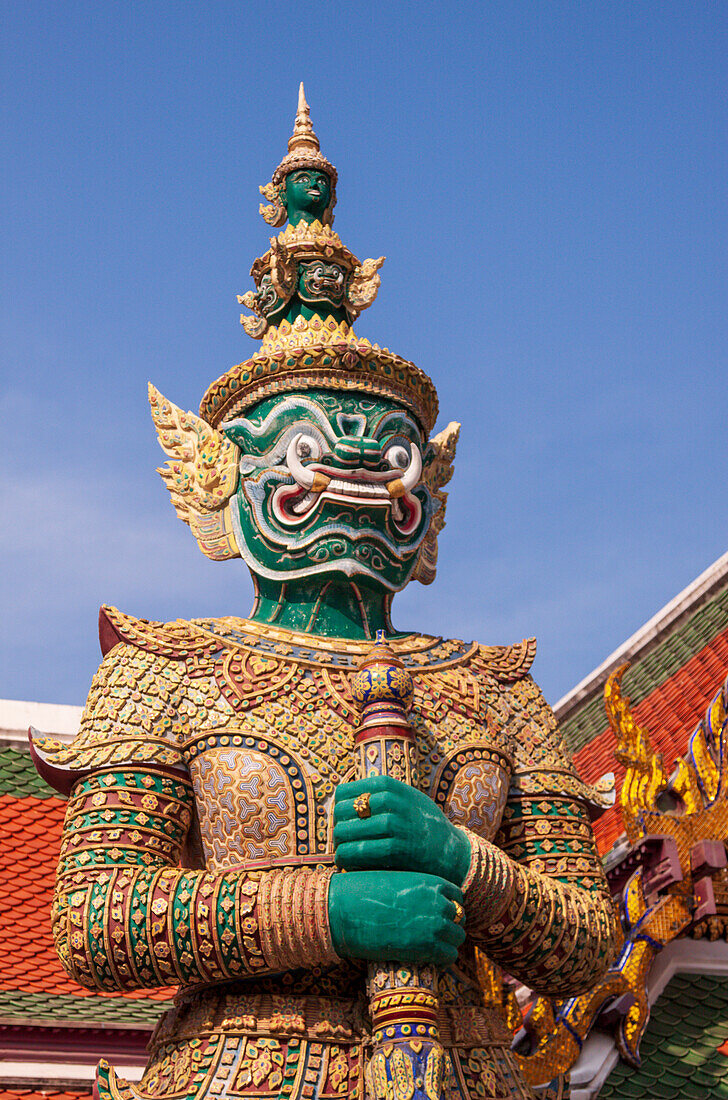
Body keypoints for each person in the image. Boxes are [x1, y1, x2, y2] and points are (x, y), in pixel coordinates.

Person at [31, 87, 618, 1100]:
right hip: (242, 1067)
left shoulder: (495, 691)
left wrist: (462, 864)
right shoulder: (163, 672)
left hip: (463, 1066)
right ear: (222, 478)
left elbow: (586, 943)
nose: (356, 476)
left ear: (426, 494)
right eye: (310, 448)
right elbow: (97, 917)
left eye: (385, 452)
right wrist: (331, 912)